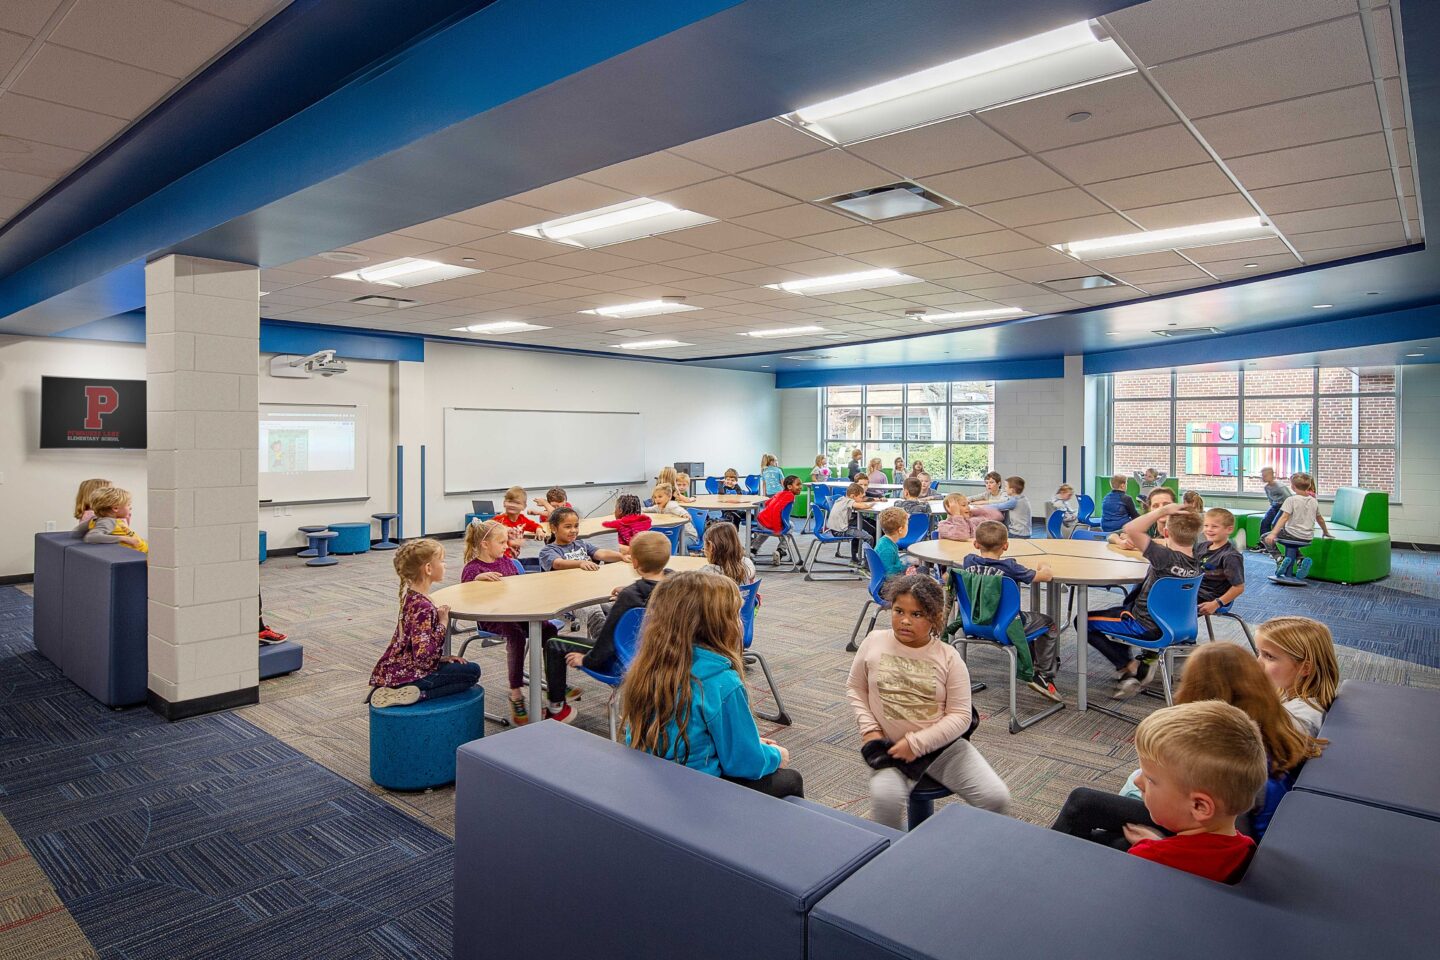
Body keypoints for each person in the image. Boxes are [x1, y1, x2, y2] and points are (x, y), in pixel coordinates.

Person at [1054, 644, 1324, 848]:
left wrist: (1164, 844)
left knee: (1085, 806)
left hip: (1210, 835)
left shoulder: (1236, 751)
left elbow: (1233, 831)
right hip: (1215, 831)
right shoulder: (1268, 728)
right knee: (1108, 832)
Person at [620, 571, 802, 798]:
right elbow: (743, 763)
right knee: (791, 779)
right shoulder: (722, 682)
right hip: (700, 791)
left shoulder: (647, 668)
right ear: (718, 625)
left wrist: (752, 742)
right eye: (735, 614)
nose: (740, 621)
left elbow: (693, 733)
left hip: (653, 780)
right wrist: (775, 755)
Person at [848, 574, 1009, 829]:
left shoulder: (949, 657)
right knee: (886, 801)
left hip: (944, 750)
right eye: (899, 610)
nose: (904, 620)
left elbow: (960, 716)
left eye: (917, 614)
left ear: (934, 618)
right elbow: (855, 688)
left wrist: (917, 743)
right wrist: (869, 729)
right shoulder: (874, 642)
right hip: (892, 750)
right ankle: (894, 860)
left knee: (996, 798)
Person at [1061, 701, 1268, 883]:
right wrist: (1159, 844)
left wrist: (1154, 849)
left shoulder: (1148, 860)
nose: (1137, 781)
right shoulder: (1246, 848)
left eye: (1150, 779)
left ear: (1199, 806)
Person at [1088, 503, 1202, 700]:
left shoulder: (1164, 557)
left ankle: (1131, 667)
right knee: (1119, 610)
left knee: (1083, 621)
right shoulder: (1197, 560)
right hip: (1180, 627)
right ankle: (1130, 666)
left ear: (1166, 532)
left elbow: (1130, 529)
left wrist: (1162, 511)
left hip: (1143, 625)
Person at [462, 518, 564, 725]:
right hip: (491, 618)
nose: (506, 546)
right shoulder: (473, 568)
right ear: (484, 544)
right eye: (501, 543)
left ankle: (556, 685)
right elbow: (465, 595)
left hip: (517, 612)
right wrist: (477, 581)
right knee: (516, 635)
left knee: (548, 628)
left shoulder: (507, 562)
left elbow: (520, 587)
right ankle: (516, 693)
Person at [553, 531, 672, 709]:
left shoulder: (630, 596)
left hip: (623, 662)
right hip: (664, 656)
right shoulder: (676, 584)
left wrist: (586, 661)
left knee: (554, 643)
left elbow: (607, 640)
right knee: (607, 611)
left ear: (635, 562)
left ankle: (557, 708)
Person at [368, 539, 480, 709]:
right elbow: (424, 659)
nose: (445, 565)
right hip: (413, 674)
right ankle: (419, 694)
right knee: (472, 672)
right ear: (428, 568)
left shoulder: (412, 597)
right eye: (442, 561)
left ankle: (397, 688)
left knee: (459, 667)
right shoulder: (424, 607)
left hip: (395, 670)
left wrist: (442, 659)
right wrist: (443, 623)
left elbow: (416, 645)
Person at [960, 520, 1059, 701]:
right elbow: (1046, 576)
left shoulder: (968, 561)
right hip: (1006, 627)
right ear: (1006, 546)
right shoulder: (1010, 568)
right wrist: (1045, 565)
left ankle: (1030, 659)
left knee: (1028, 619)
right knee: (1048, 623)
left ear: (975, 544)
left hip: (973, 624)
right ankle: (1044, 674)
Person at [1255, 616, 1340, 737]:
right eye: (1259, 653)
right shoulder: (1287, 688)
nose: (1257, 662)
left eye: (1269, 656)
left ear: (1305, 668)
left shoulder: (1298, 721)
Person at [1262, 472, 1330, 575]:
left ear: (1293, 487)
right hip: (1307, 538)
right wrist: (1325, 532)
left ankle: (1279, 559)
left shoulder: (1291, 500)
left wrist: (1273, 533)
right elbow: (1320, 519)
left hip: (1291, 535)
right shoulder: (1313, 501)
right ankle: (1300, 560)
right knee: (1292, 542)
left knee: (1264, 537)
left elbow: (1283, 518)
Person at [539, 507, 626, 571]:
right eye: (568, 527)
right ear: (553, 528)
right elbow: (558, 564)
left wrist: (622, 556)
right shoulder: (548, 550)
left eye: (576, 526)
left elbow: (602, 553)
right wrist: (580, 563)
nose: (573, 530)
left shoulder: (581, 544)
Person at [1196, 508, 1245, 617]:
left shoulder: (1230, 556)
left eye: (1214, 526)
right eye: (1206, 526)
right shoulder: (1201, 546)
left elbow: (1239, 587)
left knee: (1173, 605)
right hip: (1195, 590)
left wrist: (1216, 603)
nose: (1209, 529)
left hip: (1212, 597)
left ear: (1229, 529)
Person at [74, 486, 148, 553]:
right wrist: (123, 539)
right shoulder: (108, 521)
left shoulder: (95, 519)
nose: (130, 507)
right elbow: (91, 537)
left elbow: (77, 532)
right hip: (142, 553)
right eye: (128, 505)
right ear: (115, 508)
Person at [754, 475, 800, 564]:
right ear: (789, 487)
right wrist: (777, 529)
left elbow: (767, 503)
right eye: (798, 484)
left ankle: (753, 549)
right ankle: (781, 550)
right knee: (790, 526)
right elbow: (775, 510)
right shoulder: (790, 496)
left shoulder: (779, 493)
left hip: (761, 520)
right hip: (767, 523)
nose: (801, 487)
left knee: (765, 530)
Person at [697, 521, 756, 585]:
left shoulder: (706, 573)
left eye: (705, 544)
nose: (703, 548)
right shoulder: (746, 565)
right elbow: (751, 573)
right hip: (739, 595)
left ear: (711, 547)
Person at [827, 481, 870, 562]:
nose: (861, 499)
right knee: (869, 537)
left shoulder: (841, 499)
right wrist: (871, 505)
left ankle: (854, 559)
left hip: (834, 530)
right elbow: (862, 506)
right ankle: (868, 563)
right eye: (860, 497)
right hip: (840, 531)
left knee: (858, 531)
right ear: (853, 496)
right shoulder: (849, 501)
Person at [495, 485, 541, 558]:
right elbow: (487, 536)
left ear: (524, 506)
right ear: (504, 503)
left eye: (517, 503)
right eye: (510, 501)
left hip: (513, 557)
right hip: (499, 558)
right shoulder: (498, 520)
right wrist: (510, 542)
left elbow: (535, 526)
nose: (513, 505)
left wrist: (539, 529)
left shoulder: (523, 520)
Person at [645, 482, 696, 546]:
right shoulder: (657, 507)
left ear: (669, 497)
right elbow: (647, 509)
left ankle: (685, 555)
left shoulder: (671, 505)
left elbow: (679, 510)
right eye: (655, 497)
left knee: (676, 544)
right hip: (675, 535)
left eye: (660, 497)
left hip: (688, 535)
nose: (657, 499)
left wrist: (685, 514)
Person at [1253, 466, 1292, 551]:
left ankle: (1276, 545)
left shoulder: (1280, 486)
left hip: (1283, 506)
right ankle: (1264, 543)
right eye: (1262, 476)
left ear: (1271, 475)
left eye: (1265, 475)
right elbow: (1270, 499)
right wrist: (1273, 506)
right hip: (1274, 506)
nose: (1263, 477)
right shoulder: (1267, 487)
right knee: (1265, 522)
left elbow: (1289, 498)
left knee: (1275, 524)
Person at [874, 506, 916, 581]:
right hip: (889, 585)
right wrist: (905, 563)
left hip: (891, 580)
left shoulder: (886, 542)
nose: (908, 526)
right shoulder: (887, 549)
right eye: (906, 524)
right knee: (922, 571)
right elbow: (890, 575)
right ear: (900, 530)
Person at [936, 493, 1001, 541]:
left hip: (969, 555)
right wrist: (956, 515)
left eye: (968, 504)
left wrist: (974, 511)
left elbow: (997, 515)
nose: (968, 507)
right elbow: (962, 536)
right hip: (953, 558)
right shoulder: (943, 526)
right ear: (950, 509)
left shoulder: (970, 522)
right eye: (964, 505)